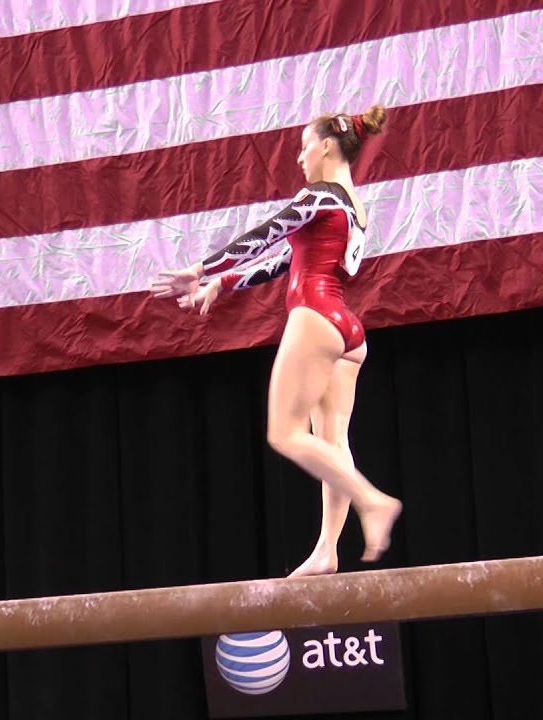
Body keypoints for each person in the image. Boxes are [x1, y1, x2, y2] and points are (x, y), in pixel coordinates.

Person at [150, 105, 401, 578]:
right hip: (347, 329)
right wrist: (224, 284)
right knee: (332, 442)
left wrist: (200, 269)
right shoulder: (353, 207)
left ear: (326, 146)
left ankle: (372, 501)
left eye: (304, 147)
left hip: (315, 315)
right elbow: (286, 260)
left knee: (284, 433)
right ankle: (327, 550)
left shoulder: (321, 196)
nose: (300, 158)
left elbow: (267, 235)